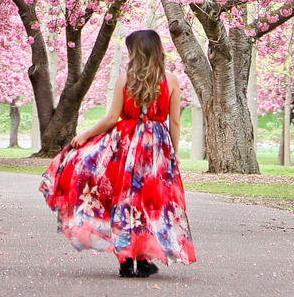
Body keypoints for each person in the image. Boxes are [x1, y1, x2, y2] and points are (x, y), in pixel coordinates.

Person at [39, 29, 196, 278]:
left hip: (127, 147)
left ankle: (126, 259)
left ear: (136, 52)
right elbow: (174, 123)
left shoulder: (126, 78)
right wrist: (172, 154)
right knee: (150, 202)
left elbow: (112, 118)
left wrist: (86, 135)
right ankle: (143, 259)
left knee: (126, 199)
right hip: (156, 149)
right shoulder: (172, 81)